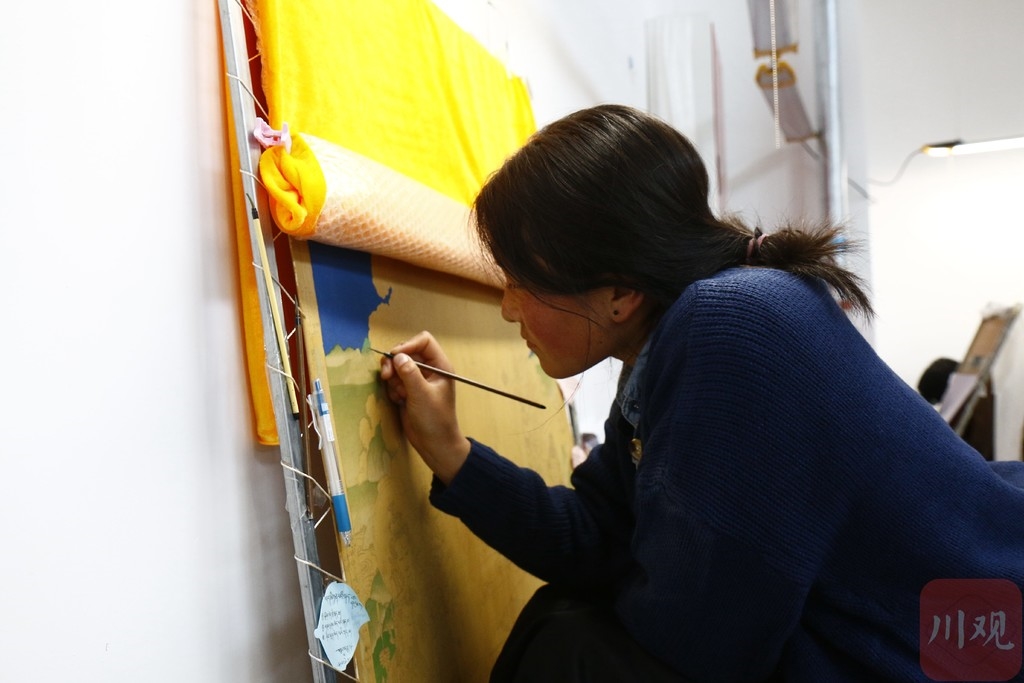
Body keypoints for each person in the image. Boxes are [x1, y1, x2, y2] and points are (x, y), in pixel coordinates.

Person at [378, 105, 1024, 682]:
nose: (508, 307)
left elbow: (701, 644)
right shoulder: (667, 352)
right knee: (566, 625)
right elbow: (599, 536)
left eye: (522, 281)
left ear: (619, 292)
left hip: (964, 653)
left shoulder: (731, 328)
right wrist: (453, 453)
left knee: (567, 646)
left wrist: (640, 564)